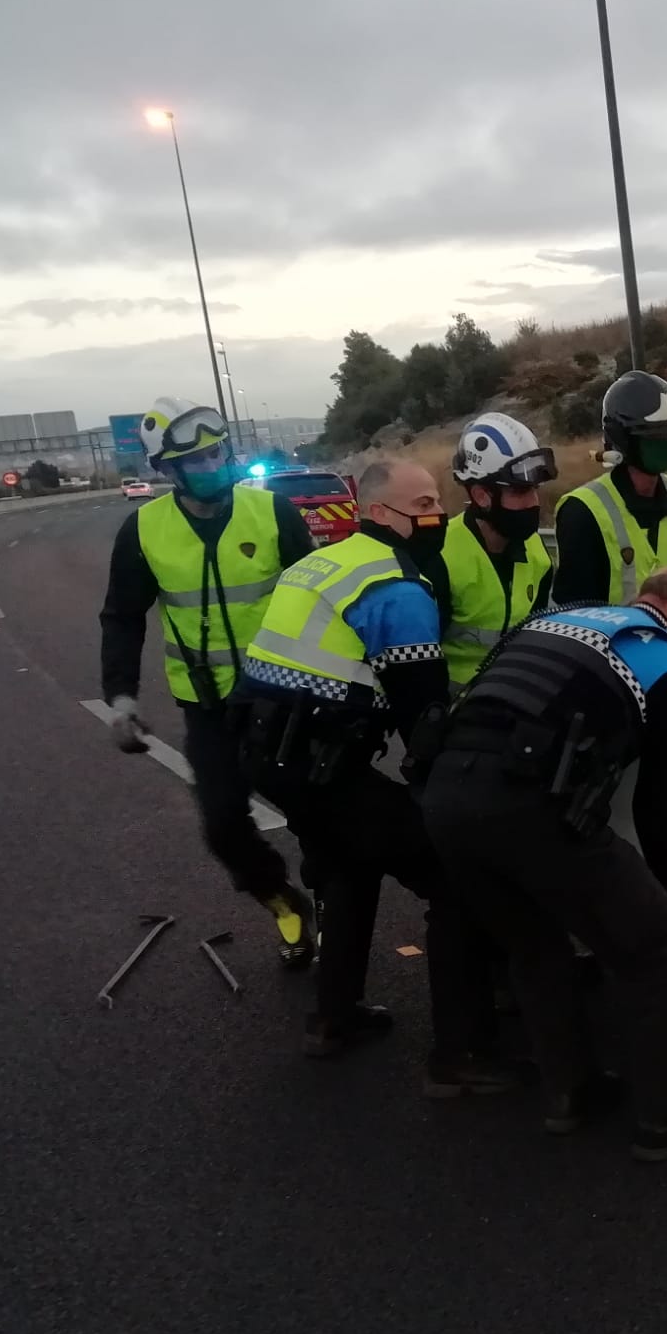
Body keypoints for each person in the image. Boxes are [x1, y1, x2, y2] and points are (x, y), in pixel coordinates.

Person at [420, 565, 667, 1160]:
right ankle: (666, 1119)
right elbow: (653, 801)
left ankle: (571, 1093)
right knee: (657, 946)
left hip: (444, 799)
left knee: (534, 947)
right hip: (527, 803)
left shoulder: (561, 620)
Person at [234, 458, 502, 1092]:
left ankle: (333, 1018)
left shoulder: (325, 561)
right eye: (426, 504)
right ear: (381, 513)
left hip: (271, 755)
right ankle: (460, 1056)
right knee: (454, 878)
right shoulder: (396, 588)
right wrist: (456, 793)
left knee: (348, 864)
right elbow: (424, 718)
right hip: (321, 766)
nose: (438, 515)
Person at [96, 395, 317, 966]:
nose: (215, 466)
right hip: (211, 708)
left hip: (287, 699)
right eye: (197, 461)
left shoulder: (272, 513)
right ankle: (283, 900)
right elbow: (122, 618)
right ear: (166, 471)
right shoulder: (143, 530)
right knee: (222, 826)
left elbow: (321, 602)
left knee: (323, 817)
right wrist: (121, 698)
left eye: (219, 452)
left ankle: (342, 912)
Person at [551, 371, 667, 606]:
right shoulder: (582, 512)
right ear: (624, 439)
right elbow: (576, 611)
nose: (665, 444)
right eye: (654, 434)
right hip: (610, 641)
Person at [443, 411, 557, 692]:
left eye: (534, 489)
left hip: (515, 698)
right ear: (482, 495)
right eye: (519, 492)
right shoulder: (440, 553)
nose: (533, 502)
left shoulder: (535, 550)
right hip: (454, 708)